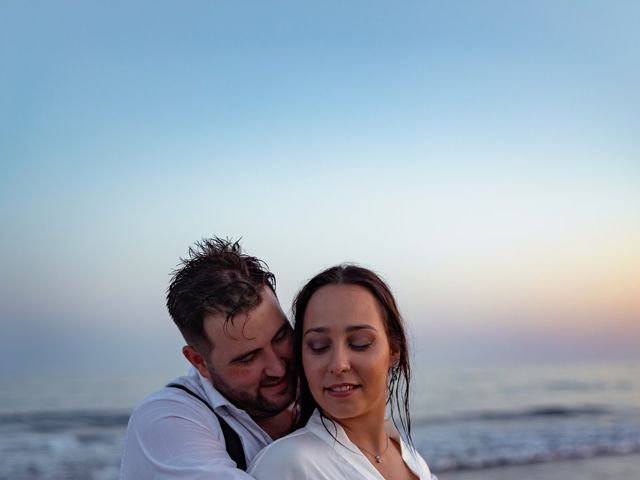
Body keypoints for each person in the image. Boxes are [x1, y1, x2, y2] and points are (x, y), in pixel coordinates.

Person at [120, 237, 297, 479]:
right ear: (198, 361)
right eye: (248, 358)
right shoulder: (166, 419)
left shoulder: (325, 389)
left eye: (281, 337)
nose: (277, 368)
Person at [248, 264, 437, 479]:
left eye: (360, 343)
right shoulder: (288, 464)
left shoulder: (409, 456)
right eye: (318, 346)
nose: (338, 364)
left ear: (394, 350)